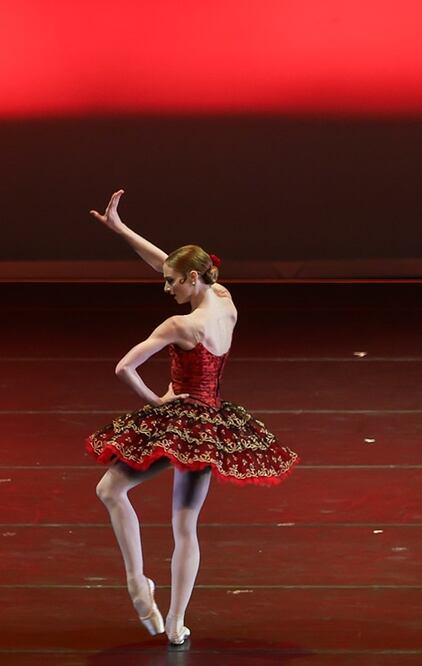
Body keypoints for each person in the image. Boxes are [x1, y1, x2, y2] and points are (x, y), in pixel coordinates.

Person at [85, 189, 298, 646]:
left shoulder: (179, 325)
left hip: (180, 421)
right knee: (184, 525)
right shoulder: (222, 297)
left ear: (192, 279)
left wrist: (156, 403)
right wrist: (122, 231)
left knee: (109, 489)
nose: (166, 288)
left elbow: (124, 367)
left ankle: (137, 585)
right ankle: (176, 623)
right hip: (214, 423)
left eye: (172, 283)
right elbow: (166, 261)